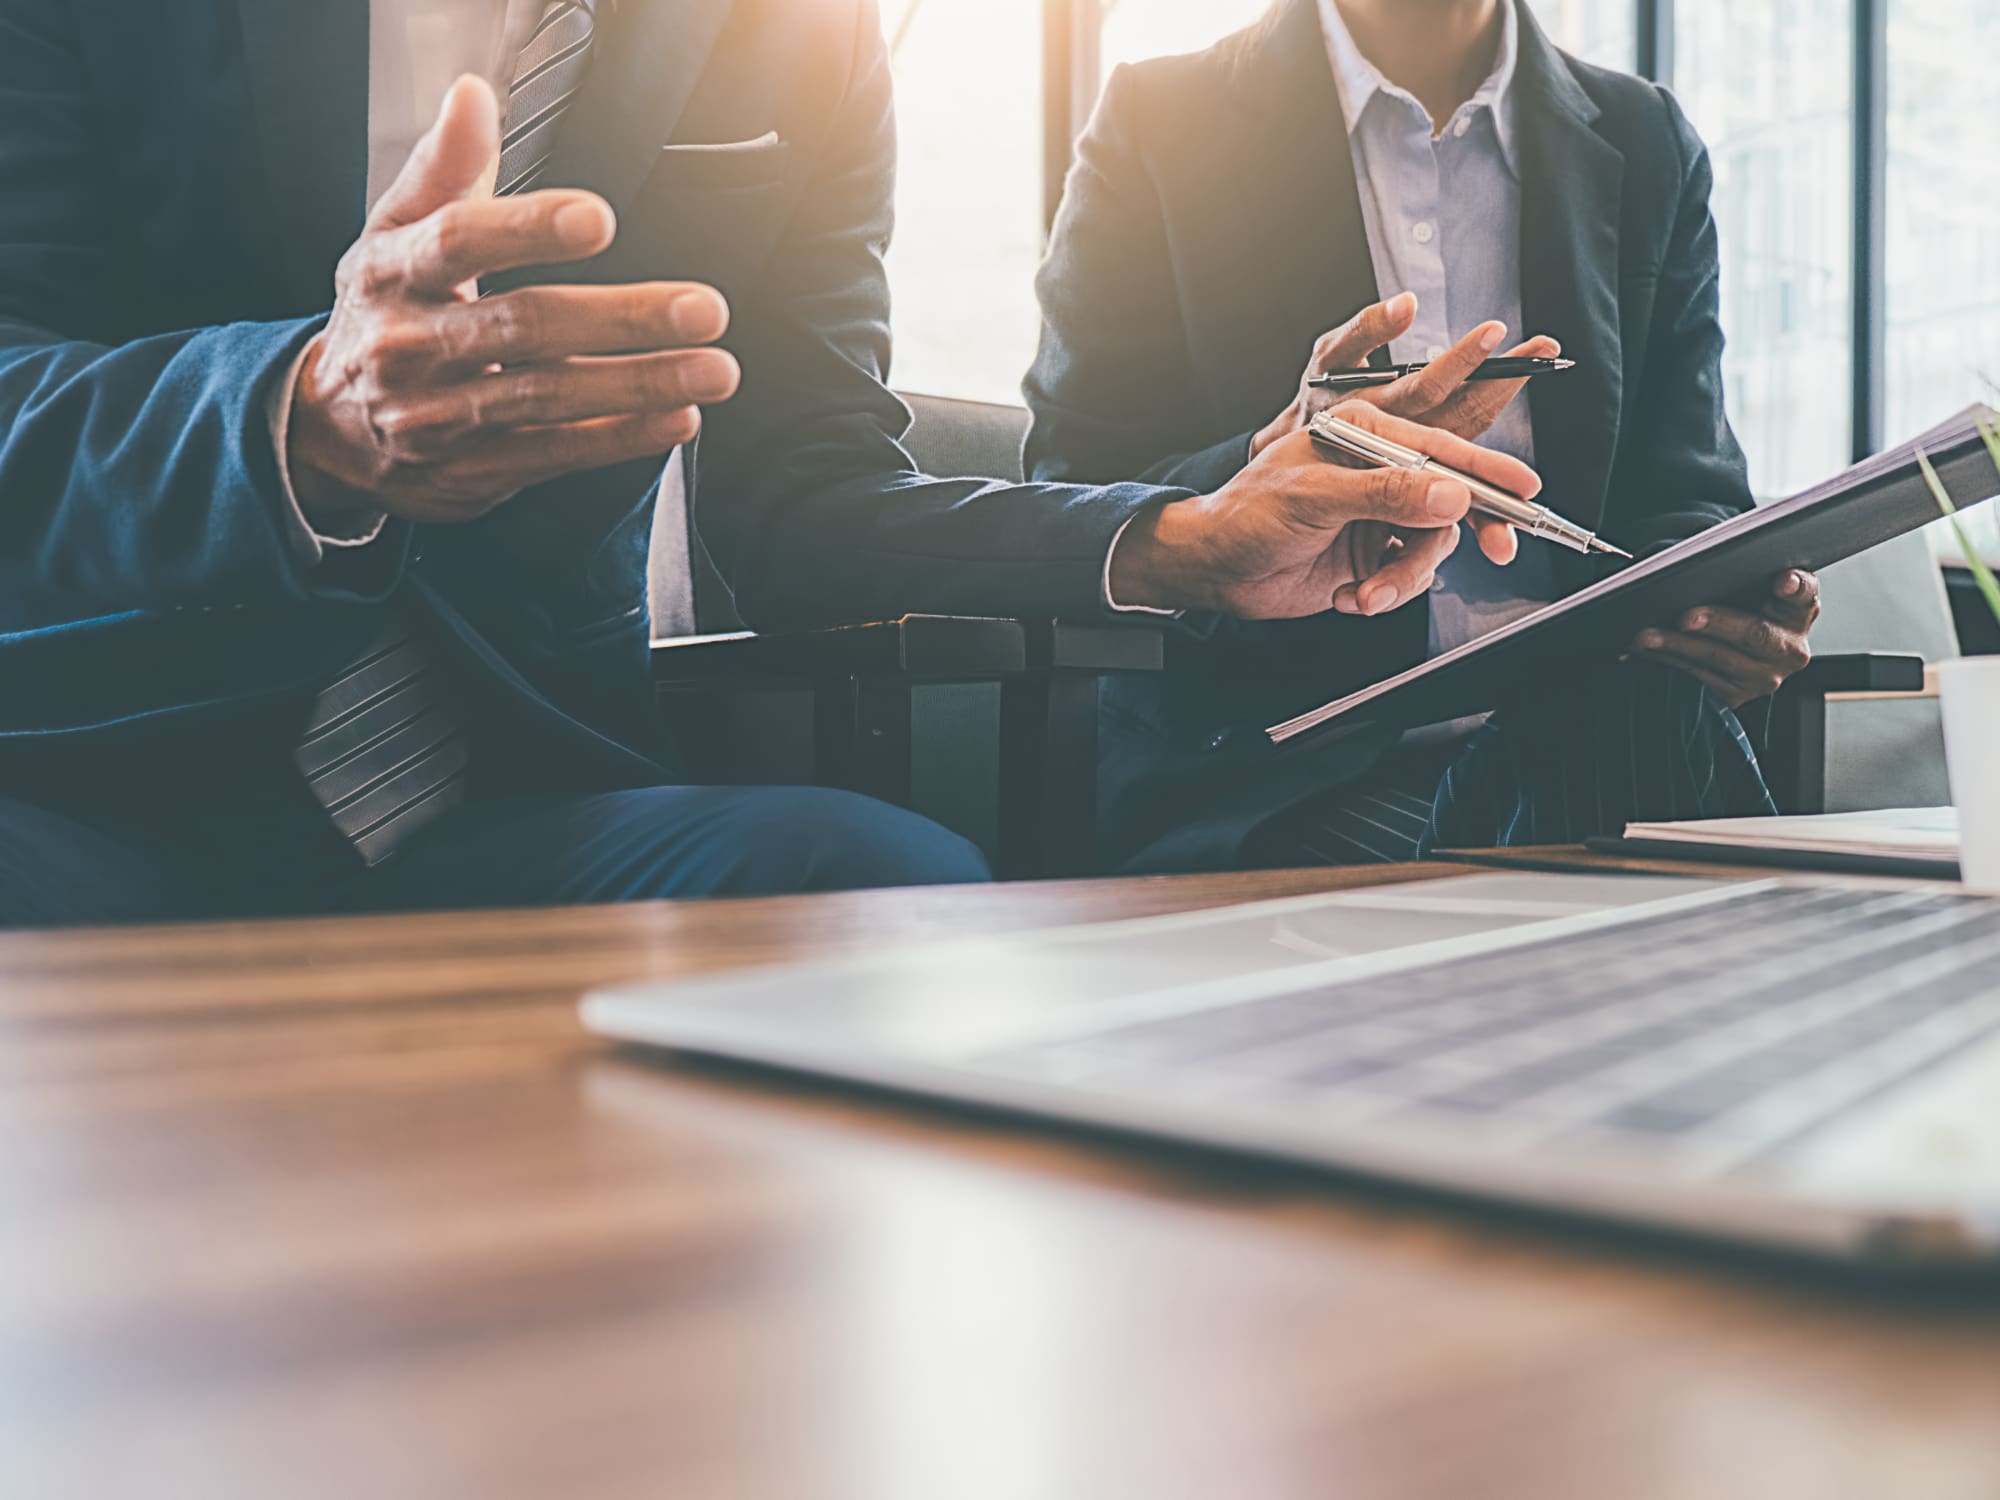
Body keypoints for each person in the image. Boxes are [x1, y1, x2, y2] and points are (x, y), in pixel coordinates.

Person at [0, 0, 1534, 924]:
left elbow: (805, 483)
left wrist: (1177, 531)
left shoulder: (792, 30)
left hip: (511, 782)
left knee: (888, 892)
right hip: (98, 765)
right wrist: (298, 417)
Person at [1023, 0, 1822, 872]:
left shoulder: (1645, 139)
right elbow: (1077, 487)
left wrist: (1724, 619)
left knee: (1623, 719)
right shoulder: (1161, 123)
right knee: (1648, 786)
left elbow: (1688, 491)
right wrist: (1270, 465)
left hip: (1600, 720)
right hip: (1287, 772)